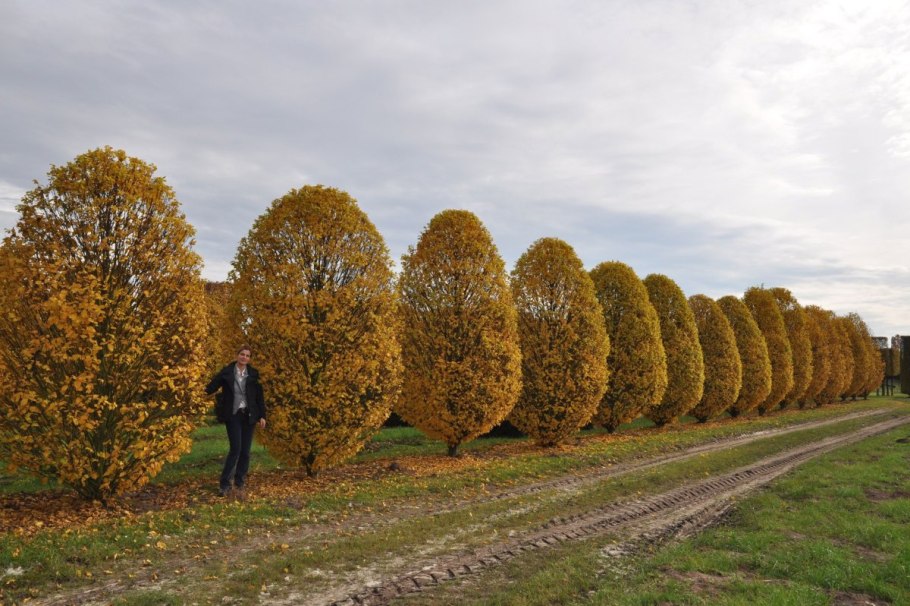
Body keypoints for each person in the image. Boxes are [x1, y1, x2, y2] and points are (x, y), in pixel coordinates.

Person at [206, 346, 267, 497]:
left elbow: (259, 397)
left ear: (249, 359)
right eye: (242, 354)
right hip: (233, 415)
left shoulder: (253, 374)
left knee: (245, 452)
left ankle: (239, 483)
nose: (244, 357)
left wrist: (262, 416)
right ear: (237, 355)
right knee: (236, 449)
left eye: (247, 355)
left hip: (249, 416)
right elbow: (212, 386)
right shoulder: (227, 372)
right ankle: (225, 485)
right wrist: (198, 393)